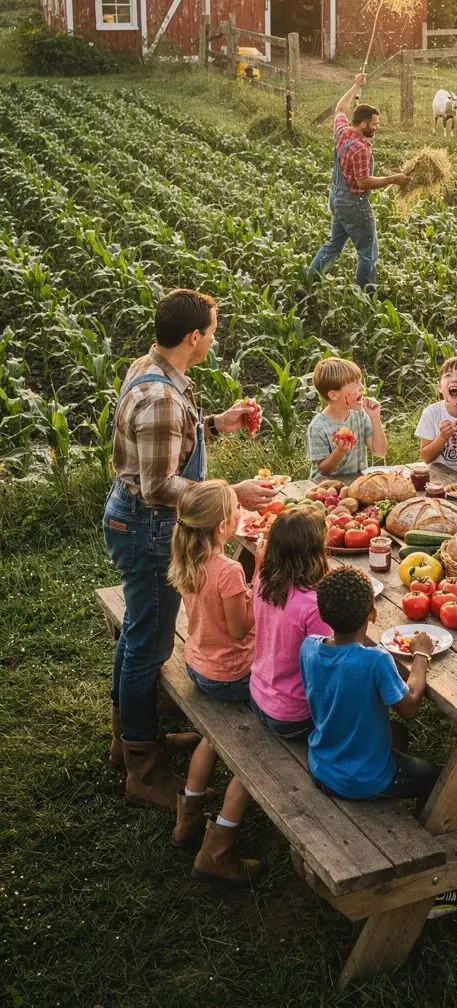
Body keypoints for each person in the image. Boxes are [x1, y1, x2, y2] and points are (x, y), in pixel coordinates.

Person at [102, 287, 281, 811]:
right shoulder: (161, 396)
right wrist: (230, 493)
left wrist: (217, 424)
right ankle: (143, 767)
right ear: (193, 337)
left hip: (139, 523)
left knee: (139, 634)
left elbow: (166, 440)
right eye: (212, 332)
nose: (214, 340)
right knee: (149, 645)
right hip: (148, 528)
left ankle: (131, 739)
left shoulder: (153, 368)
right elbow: (159, 485)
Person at [299, 566, 457, 918]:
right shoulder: (375, 660)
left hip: (322, 763)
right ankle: (429, 874)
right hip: (363, 779)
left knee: (399, 738)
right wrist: (421, 654)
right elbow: (408, 706)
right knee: (439, 778)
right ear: (373, 614)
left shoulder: (309, 647)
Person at [166, 479, 262, 886]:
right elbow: (242, 630)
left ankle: (187, 819)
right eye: (237, 510)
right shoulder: (228, 571)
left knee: (211, 737)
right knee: (258, 744)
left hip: (199, 666)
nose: (241, 514)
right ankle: (218, 847)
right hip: (232, 677)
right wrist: (258, 586)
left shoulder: (188, 557)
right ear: (224, 526)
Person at [307, 72, 408, 293]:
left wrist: (356, 85)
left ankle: (307, 283)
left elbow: (340, 108)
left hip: (336, 199)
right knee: (367, 251)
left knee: (333, 245)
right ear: (363, 124)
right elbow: (364, 182)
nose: (377, 127)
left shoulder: (342, 131)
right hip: (354, 204)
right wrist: (394, 179)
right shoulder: (360, 148)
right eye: (374, 124)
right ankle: (367, 293)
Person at [249, 505, 332, 741]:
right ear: (317, 552)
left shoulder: (263, 581)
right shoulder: (314, 606)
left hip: (258, 696)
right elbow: (327, 664)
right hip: (294, 717)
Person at [307, 357, 386, 482]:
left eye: (360, 382)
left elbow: (380, 452)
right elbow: (323, 470)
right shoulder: (318, 427)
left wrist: (375, 417)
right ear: (334, 395)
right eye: (355, 384)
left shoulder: (360, 414)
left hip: (356, 483)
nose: (362, 388)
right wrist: (340, 451)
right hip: (327, 489)